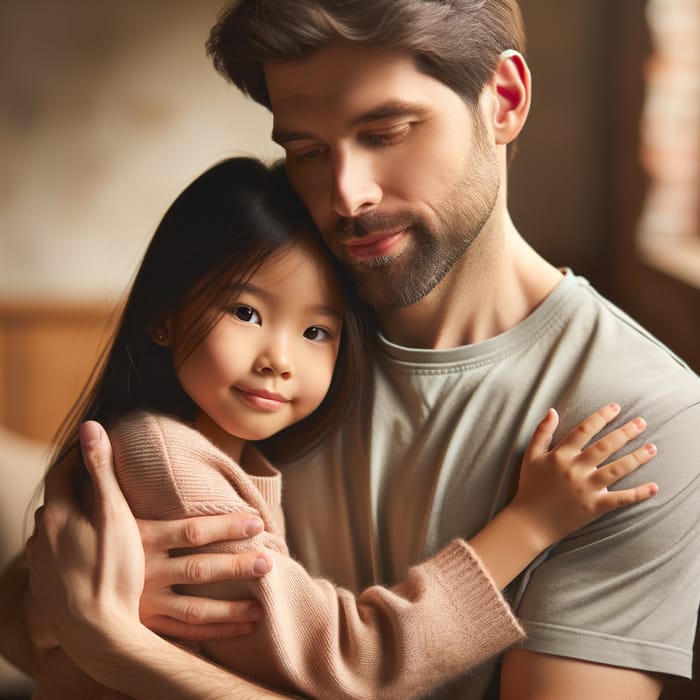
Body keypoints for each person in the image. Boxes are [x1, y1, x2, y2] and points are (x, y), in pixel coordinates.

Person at [2, 0, 700, 697]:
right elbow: (21, 625)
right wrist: (67, 598)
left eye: (386, 131)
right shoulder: (264, 345)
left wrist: (119, 644)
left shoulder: (632, 421)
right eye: (306, 151)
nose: (345, 195)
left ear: (505, 102)